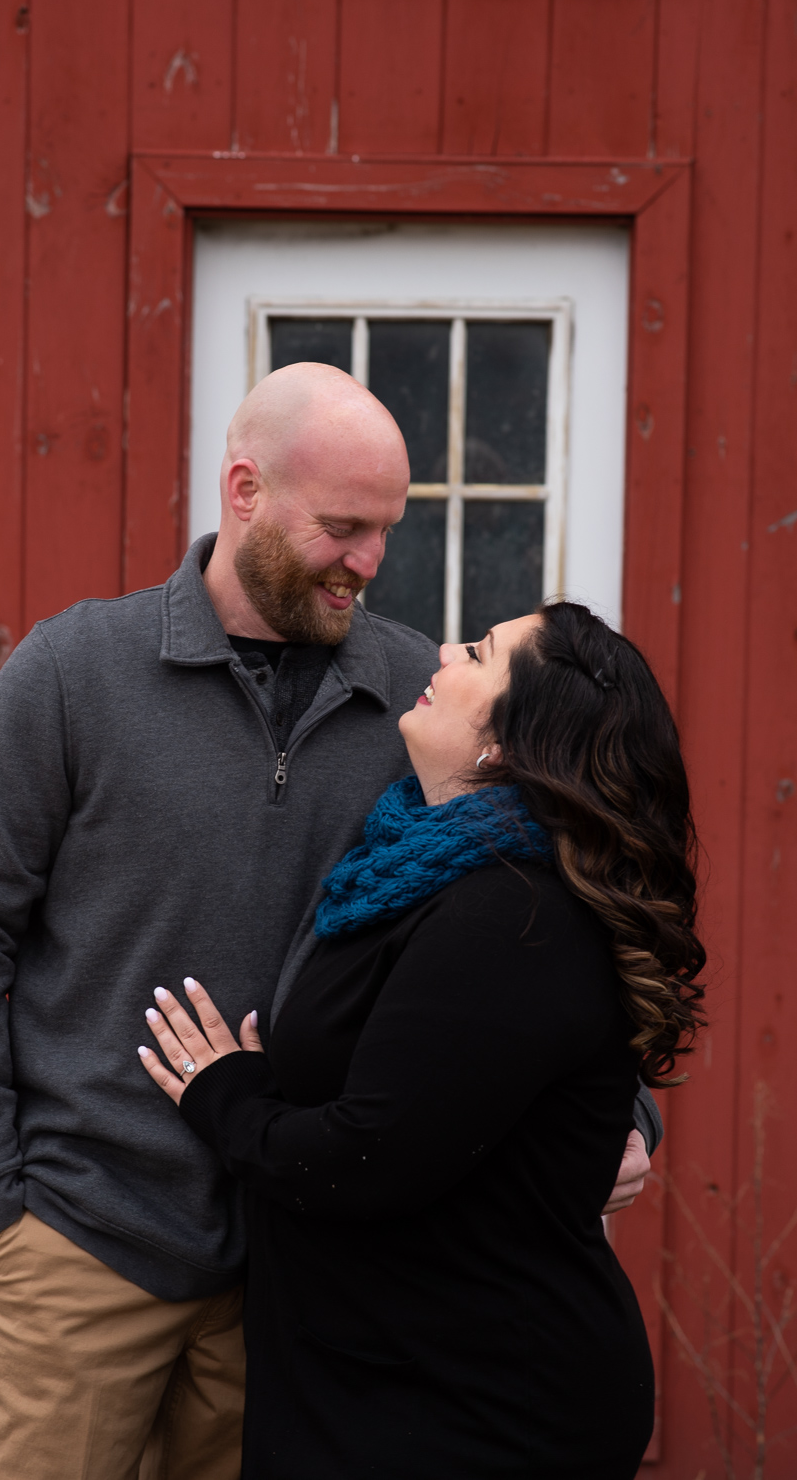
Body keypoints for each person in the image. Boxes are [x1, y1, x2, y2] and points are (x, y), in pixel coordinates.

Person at [0, 364, 656, 1480]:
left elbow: (547, 903)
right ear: (245, 489)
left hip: (297, 1271)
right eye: (344, 527)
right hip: (82, 1234)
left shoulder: (416, 700)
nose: (369, 563)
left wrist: (618, 1110)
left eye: (386, 531)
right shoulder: (73, 674)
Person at [139, 601, 706, 1480]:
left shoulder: (511, 918)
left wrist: (224, 1093)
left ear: (510, 743)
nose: (443, 652)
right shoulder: (414, 869)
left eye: (479, 653)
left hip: (474, 1404)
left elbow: (366, 1155)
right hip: (379, 1370)